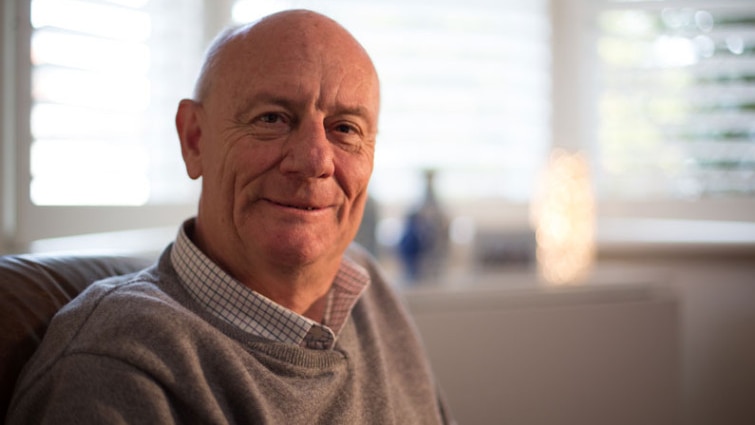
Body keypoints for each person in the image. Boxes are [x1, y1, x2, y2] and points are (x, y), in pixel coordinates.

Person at [7, 10, 453, 424]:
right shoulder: (115, 366)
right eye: (273, 118)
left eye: (345, 129)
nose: (315, 160)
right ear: (194, 140)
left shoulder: (370, 290)